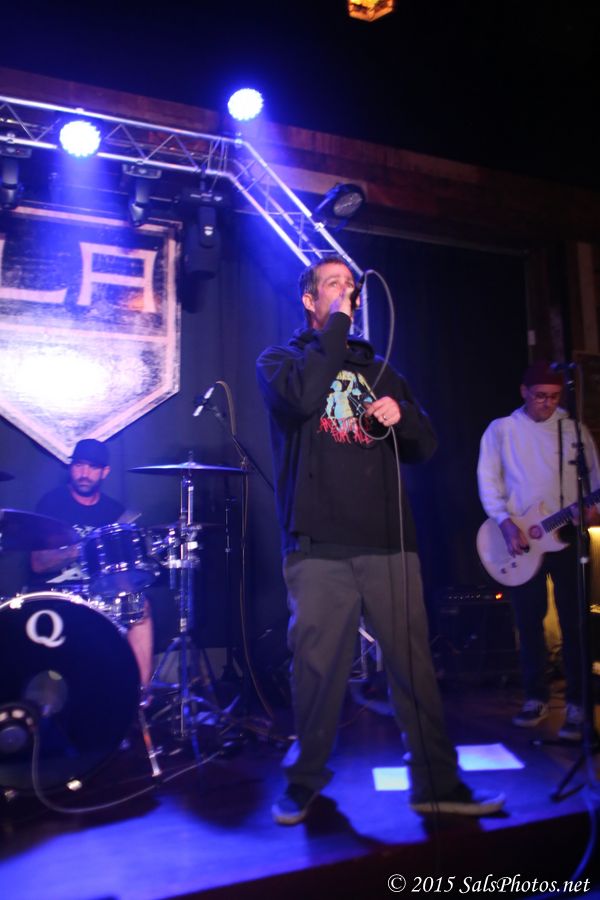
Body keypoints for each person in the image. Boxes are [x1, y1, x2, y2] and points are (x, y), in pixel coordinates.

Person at [256, 256, 505, 824]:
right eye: (332, 284)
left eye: (350, 285)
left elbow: (425, 446)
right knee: (317, 671)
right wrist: (337, 327)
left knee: (414, 669)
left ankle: (437, 784)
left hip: (389, 542)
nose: (345, 291)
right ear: (309, 300)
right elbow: (302, 399)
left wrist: (404, 415)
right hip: (318, 545)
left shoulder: (382, 370)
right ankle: (304, 782)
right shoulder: (281, 361)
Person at [477, 362, 600, 739]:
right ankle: (535, 696)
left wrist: (591, 510)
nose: (547, 403)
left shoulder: (573, 431)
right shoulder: (502, 429)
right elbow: (488, 479)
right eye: (540, 396)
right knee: (529, 621)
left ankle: (578, 703)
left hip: (566, 535)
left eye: (554, 397)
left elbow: (593, 480)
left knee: (575, 621)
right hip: (520, 537)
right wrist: (504, 522)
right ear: (524, 392)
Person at [30, 439, 154, 688]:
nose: (84, 473)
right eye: (79, 465)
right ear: (71, 467)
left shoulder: (113, 511)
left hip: (101, 594)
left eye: (93, 467)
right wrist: (80, 549)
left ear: (105, 472)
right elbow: (37, 564)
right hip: (59, 593)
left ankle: (140, 694)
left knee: (139, 606)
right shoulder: (51, 504)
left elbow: (122, 575)